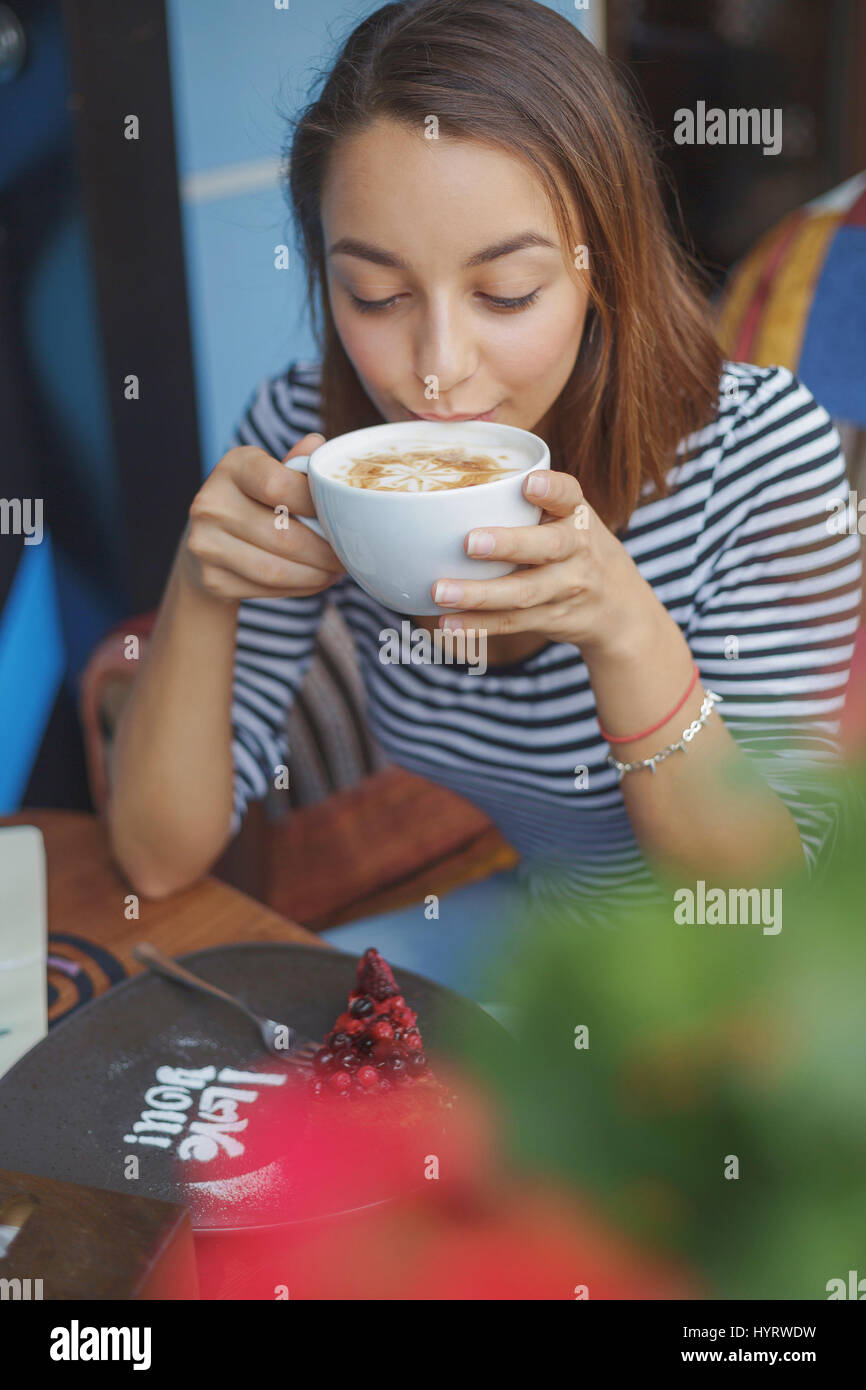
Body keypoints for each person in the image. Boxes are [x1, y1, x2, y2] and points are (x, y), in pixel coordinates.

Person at [107, 0, 861, 995]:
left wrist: (626, 633)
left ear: (603, 267)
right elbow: (157, 858)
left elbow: (772, 919)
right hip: (540, 946)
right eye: (374, 295)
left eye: (505, 293)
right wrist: (203, 590)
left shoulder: (755, 454)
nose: (435, 374)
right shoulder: (310, 439)